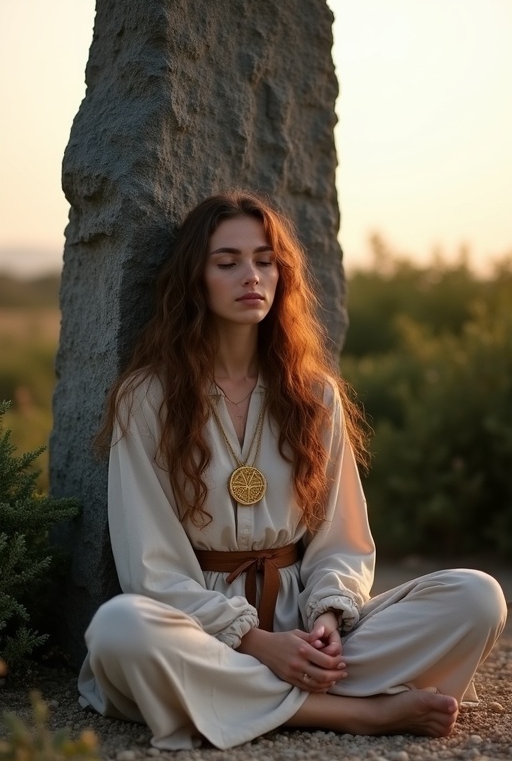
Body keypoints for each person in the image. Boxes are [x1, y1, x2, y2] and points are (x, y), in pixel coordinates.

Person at [78, 191, 507, 751]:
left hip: (304, 628)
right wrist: (254, 641)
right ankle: (357, 713)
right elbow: (150, 572)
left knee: (478, 598)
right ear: (194, 280)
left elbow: (341, 543)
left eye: (264, 260)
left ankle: (254, 697)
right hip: (203, 634)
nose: (250, 275)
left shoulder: (314, 395)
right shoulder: (146, 399)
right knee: (119, 631)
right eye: (227, 262)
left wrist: (328, 615)